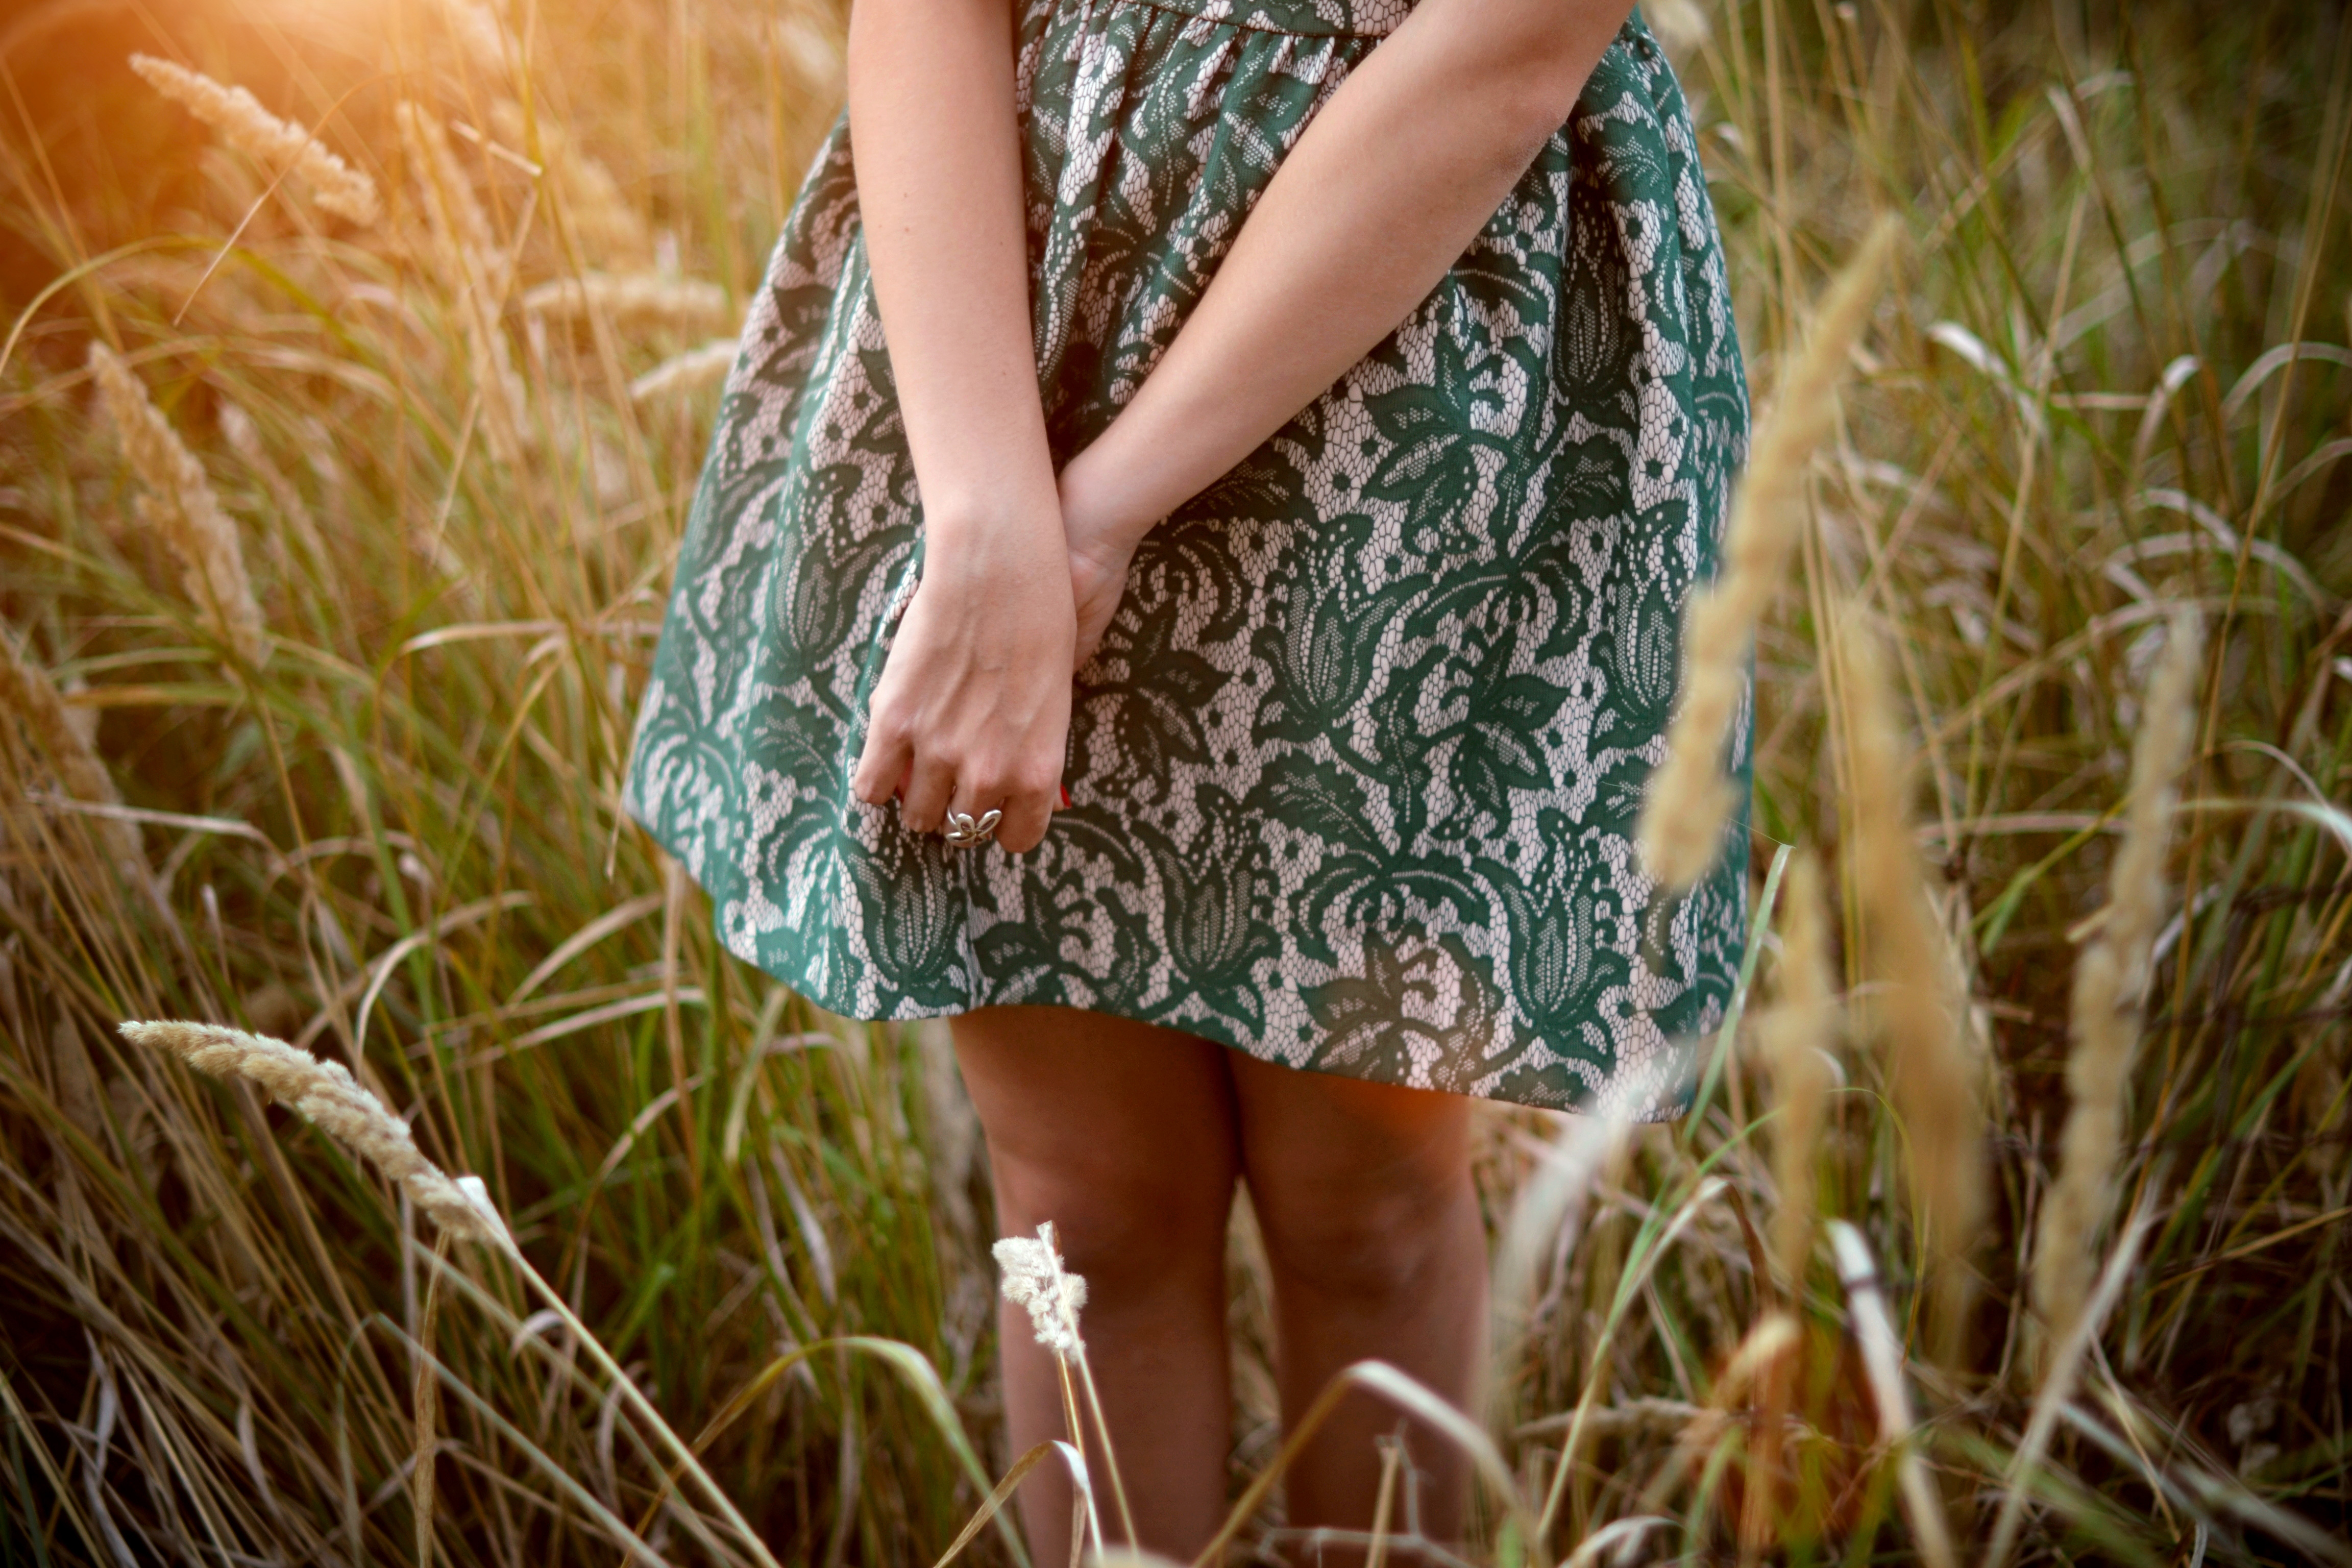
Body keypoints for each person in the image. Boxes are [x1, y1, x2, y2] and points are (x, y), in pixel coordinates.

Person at [624, 0, 1749, 1556]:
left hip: (1416, 374)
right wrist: (990, 521)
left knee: (1365, 1194)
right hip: (1014, 341)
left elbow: (1508, 49)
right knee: (1082, 1204)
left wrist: (1094, 522)